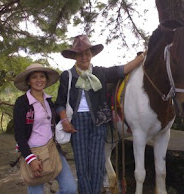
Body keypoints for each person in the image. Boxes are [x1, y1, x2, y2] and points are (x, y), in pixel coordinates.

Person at [55, 35, 146, 194]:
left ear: (91, 54)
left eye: (87, 53)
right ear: (75, 56)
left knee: (97, 164)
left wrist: (142, 57)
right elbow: (60, 102)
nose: (84, 57)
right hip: (77, 123)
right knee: (82, 166)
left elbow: (122, 69)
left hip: (99, 121)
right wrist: (64, 121)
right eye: (80, 54)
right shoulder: (67, 76)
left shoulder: (100, 72)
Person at [13, 63, 77, 194]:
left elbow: (55, 121)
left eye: (42, 76)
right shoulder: (22, 103)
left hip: (52, 148)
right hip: (33, 152)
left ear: (46, 80)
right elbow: (19, 134)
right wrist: (30, 159)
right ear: (28, 81)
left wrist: (67, 120)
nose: (39, 80)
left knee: (70, 188)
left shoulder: (48, 101)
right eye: (34, 77)